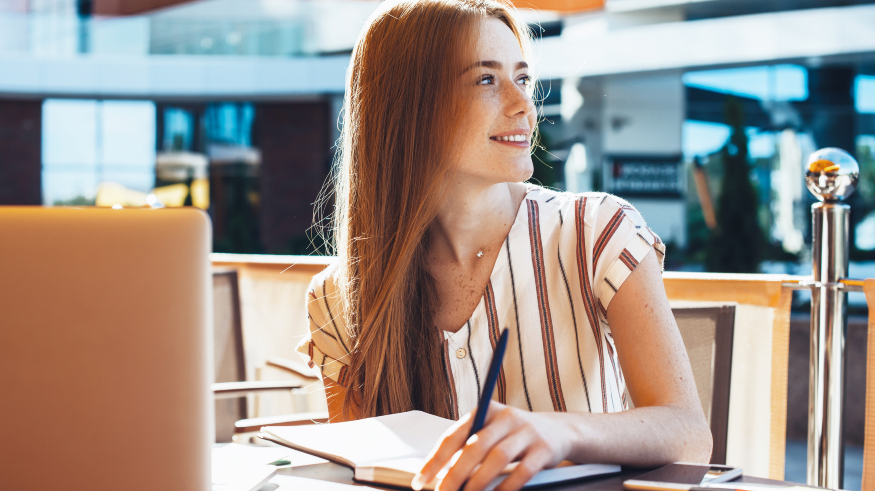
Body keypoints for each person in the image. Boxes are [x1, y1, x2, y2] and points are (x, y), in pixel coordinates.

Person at [297, 1, 712, 490]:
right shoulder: (338, 298)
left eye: (524, 78)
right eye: (486, 80)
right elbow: (360, 473)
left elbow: (688, 434)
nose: (524, 106)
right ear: (409, 106)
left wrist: (558, 432)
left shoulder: (597, 231)